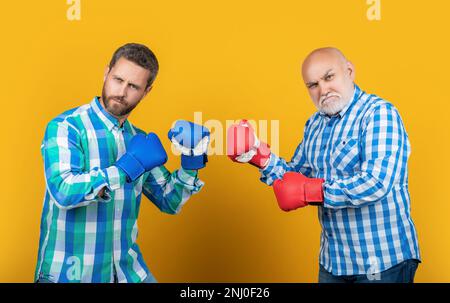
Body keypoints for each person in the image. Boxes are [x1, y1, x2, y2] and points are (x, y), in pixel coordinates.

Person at [227, 47, 421, 283]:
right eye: (313, 85)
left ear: (349, 71)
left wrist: (312, 191)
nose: (323, 90)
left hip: (382, 260)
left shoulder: (378, 113)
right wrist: (258, 155)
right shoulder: (314, 125)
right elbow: (294, 177)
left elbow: (376, 182)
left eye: (329, 77)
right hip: (334, 261)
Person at [35, 43, 210, 283]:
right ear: (106, 73)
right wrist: (125, 169)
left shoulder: (138, 140)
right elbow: (63, 190)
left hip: (125, 271)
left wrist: (192, 159)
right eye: (118, 79)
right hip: (70, 274)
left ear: (146, 91)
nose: (122, 91)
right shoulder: (68, 126)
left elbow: (171, 201)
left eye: (133, 86)